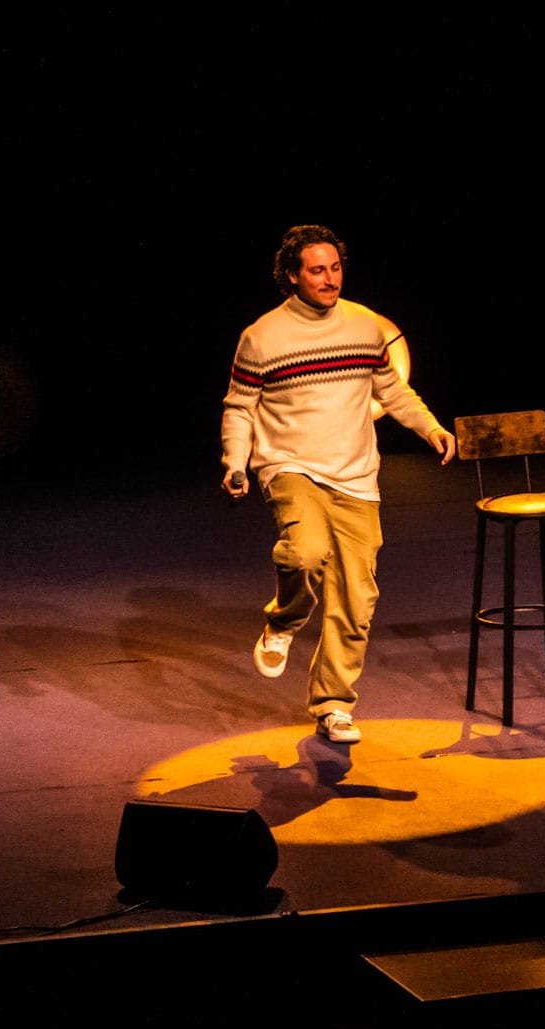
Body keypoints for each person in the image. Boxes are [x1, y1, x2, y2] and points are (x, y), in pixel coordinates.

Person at [220, 225, 455, 744]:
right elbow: (240, 407)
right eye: (317, 271)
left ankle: (333, 704)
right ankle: (285, 620)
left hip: (356, 475)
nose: (329, 280)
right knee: (305, 553)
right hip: (289, 466)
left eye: (335, 268)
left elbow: (392, 390)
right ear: (291, 276)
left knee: (356, 598)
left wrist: (431, 427)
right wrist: (235, 462)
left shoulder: (364, 325)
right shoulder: (262, 337)